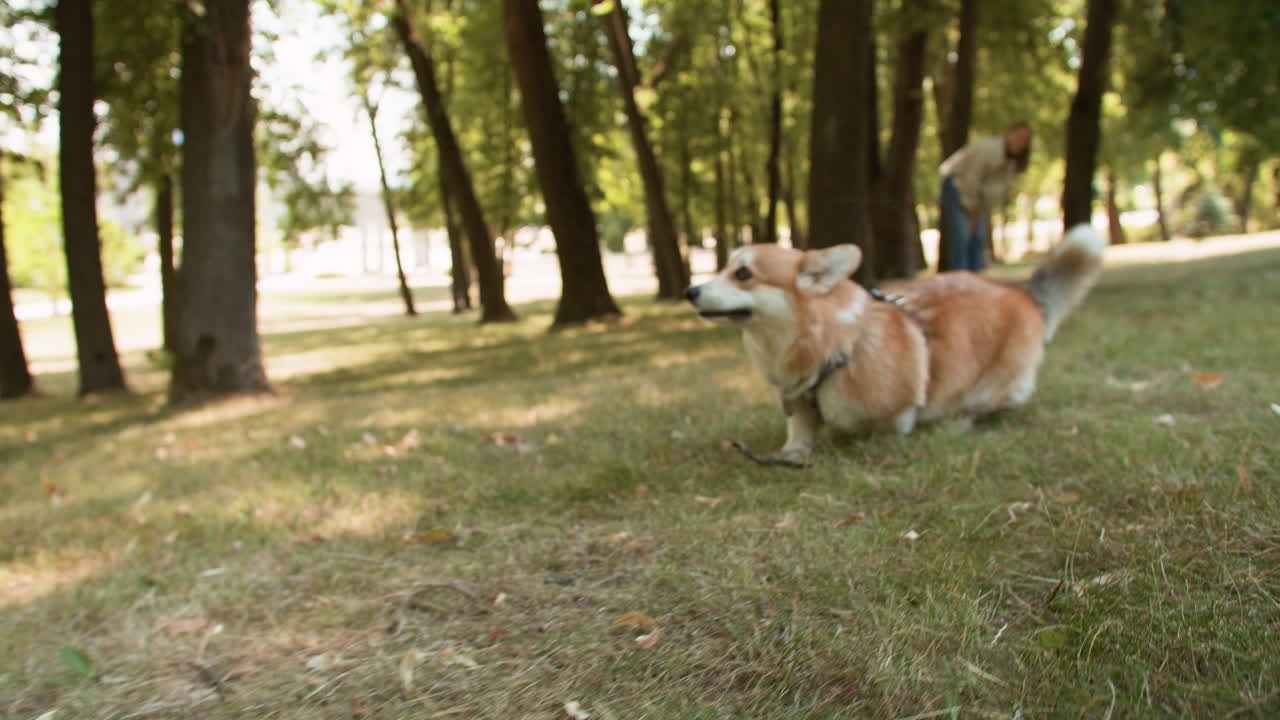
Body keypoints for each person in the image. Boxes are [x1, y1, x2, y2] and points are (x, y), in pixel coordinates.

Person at [938, 122, 1032, 271]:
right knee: (962, 236)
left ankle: (974, 278)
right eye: (1018, 136)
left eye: (1025, 139)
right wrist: (971, 208)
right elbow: (970, 178)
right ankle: (961, 280)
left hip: (979, 201)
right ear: (1009, 134)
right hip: (958, 187)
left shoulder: (1010, 164)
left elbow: (993, 192)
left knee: (977, 237)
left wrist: (980, 211)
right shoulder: (989, 150)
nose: (1020, 142)